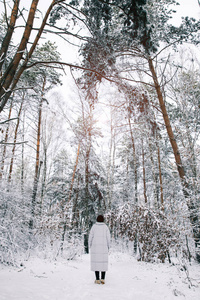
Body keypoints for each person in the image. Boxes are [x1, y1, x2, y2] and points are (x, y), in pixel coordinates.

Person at [89, 215, 110, 284]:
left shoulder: (94, 227)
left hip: (95, 248)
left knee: (96, 263)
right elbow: (108, 238)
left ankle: (97, 279)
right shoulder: (105, 227)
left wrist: (90, 245)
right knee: (103, 263)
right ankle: (103, 279)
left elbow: (90, 237)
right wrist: (108, 246)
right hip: (104, 248)